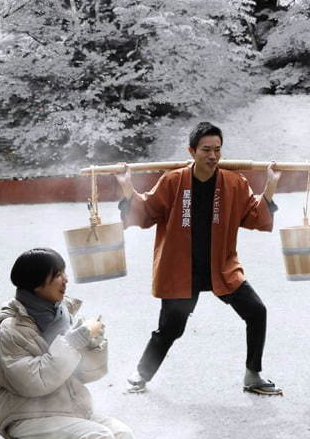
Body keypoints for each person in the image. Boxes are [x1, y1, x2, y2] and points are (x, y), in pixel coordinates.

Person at [117, 121, 283, 396]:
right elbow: (146, 211)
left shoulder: (233, 182)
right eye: (206, 149)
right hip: (181, 269)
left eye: (217, 150)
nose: (213, 156)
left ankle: (253, 375)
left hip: (221, 266)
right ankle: (141, 374)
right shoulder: (173, 181)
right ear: (192, 151)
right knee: (170, 328)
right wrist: (126, 187)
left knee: (256, 311)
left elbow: (254, 214)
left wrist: (271, 185)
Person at [0, 248, 134, 439]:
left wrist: (94, 346)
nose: (66, 279)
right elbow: (33, 383)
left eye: (64, 272)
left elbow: (87, 374)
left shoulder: (62, 314)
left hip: (66, 408)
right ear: (36, 284)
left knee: (122, 435)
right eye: (57, 275)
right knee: (97, 438)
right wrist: (71, 343)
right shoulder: (12, 330)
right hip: (24, 414)